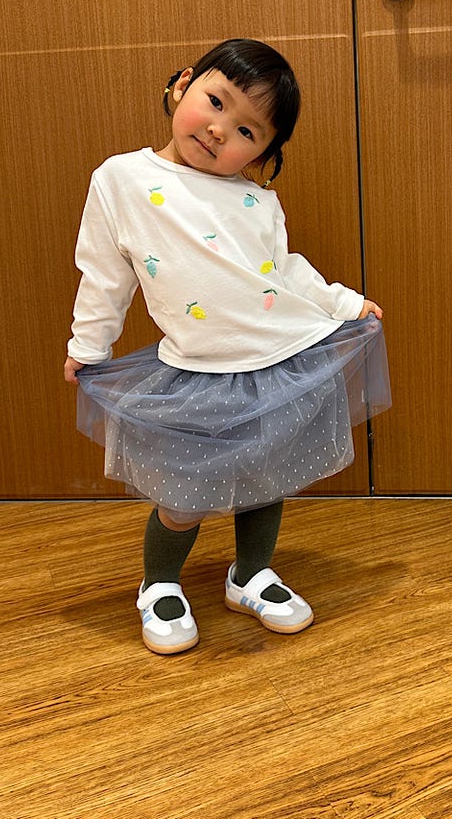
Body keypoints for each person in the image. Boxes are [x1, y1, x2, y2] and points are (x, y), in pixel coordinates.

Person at [64, 38, 391, 655]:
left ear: (262, 153)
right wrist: (89, 343)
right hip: (193, 372)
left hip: (277, 360)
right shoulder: (122, 179)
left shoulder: (256, 200)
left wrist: (344, 304)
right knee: (182, 495)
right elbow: (104, 273)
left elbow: (284, 270)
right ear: (183, 84)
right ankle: (159, 582)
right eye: (215, 101)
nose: (219, 130)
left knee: (267, 478)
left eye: (246, 130)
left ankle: (251, 575)